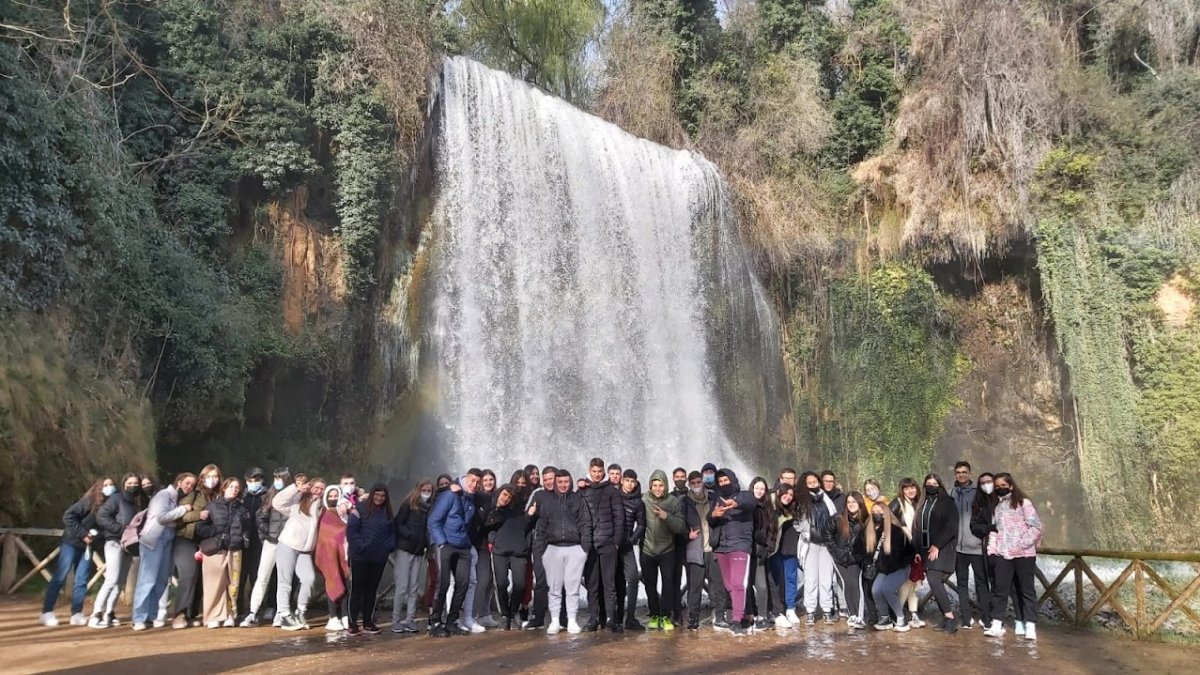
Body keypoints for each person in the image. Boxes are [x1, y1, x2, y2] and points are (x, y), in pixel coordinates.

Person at [41, 477, 110, 626]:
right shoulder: (88, 501)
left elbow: (104, 528)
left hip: (87, 547)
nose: (109, 487)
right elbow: (68, 516)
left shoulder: (109, 506)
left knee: (82, 580)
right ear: (98, 487)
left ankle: (77, 612)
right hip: (71, 543)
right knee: (61, 576)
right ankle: (47, 611)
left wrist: (95, 536)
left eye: (111, 485)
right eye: (106, 485)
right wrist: (83, 534)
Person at [982, 473, 1043, 641]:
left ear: (1011, 485)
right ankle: (996, 624)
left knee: (1026, 590)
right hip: (1003, 554)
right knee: (1000, 590)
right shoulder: (998, 507)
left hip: (1024, 555)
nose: (999, 489)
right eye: (997, 486)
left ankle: (1030, 625)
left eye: (1003, 485)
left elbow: (1036, 527)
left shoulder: (1024, 503)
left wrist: (1022, 544)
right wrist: (992, 551)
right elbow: (995, 531)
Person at [131, 473, 195, 630]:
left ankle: (152, 615)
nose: (189, 487)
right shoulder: (164, 495)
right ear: (179, 482)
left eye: (192, 485)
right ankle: (138, 617)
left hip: (167, 540)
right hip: (153, 540)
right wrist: (183, 509)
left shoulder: (175, 498)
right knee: (147, 579)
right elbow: (161, 517)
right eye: (187, 483)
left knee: (161, 580)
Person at [534, 469, 592, 635]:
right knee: (554, 587)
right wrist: (542, 550)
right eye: (560, 482)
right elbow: (541, 526)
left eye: (566, 482)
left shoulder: (577, 500)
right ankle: (554, 621)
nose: (563, 485)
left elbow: (585, 524)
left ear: (570, 481)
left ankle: (572, 620)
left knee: (573, 587)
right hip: (552, 549)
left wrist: (584, 549)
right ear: (555, 483)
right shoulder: (548, 502)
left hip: (575, 548)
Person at [427, 469, 480, 637]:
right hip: (446, 543)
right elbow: (433, 520)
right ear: (465, 478)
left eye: (478, 483)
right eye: (472, 481)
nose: (475, 485)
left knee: (463, 584)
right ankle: (435, 622)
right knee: (443, 584)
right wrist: (441, 543)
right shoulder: (450, 495)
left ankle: (452, 621)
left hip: (463, 545)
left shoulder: (470, 499)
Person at [90, 473, 146, 628]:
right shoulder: (117, 499)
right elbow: (102, 516)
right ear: (124, 484)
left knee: (120, 581)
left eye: (136, 483)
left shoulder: (137, 503)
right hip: (114, 542)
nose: (133, 485)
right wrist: (120, 529)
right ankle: (96, 614)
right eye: (130, 483)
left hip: (129, 545)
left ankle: (110, 612)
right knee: (111, 579)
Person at [171, 464, 222, 629]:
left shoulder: (219, 496)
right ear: (202, 477)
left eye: (215, 476)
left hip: (207, 540)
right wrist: (197, 515)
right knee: (188, 573)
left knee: (201, 577)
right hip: (186, 538)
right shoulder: (194, 493)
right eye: (209, 476)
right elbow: (179, 515)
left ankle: (191, 614)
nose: (212, 480)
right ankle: (180, 613)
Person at [196, 477, 251, 628]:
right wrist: (216, 532)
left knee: (233, 584)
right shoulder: (212, 506)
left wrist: (244, 539)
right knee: (214, 583)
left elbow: (247, 527)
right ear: (224, 488)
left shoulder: (242, 508)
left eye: (237, 487)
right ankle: (213, 616)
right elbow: (200, 527)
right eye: (231, 486)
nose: (234, 489)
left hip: (235, 549)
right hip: (216, 549)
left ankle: (230, 614)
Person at [273, 475, 326, 631]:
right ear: (309, 487)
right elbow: (277, 502)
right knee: (285, 582)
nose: (318, 491)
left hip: (305, 550)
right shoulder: (297, 501)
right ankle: (283, 615)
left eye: (321, 489)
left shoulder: (321, 506)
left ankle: (300, 611)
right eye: (316, 487)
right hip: (288, 544)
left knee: (309, 579)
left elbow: (336, 498)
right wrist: (296, 488)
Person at [707, 468, 757, 635]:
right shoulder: (716, 499)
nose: (723, 484)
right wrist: (713, 515)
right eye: (720, 481)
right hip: (721, 547)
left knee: (738, 584)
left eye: (726, 480)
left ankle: (737, 620)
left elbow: (749, 502)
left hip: (739, 545)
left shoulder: (744, 495)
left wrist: (735, 503)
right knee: (729, 584)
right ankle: (739, 614)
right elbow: (710, 520)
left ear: (733, 479)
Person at [581, 457, 625, 632]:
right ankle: (593, 619)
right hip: (590, 545)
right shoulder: (583, 491)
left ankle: (610, 619)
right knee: (592, 585)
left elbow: (619, 517)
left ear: (604, 472)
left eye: (600, 472)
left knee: (609, 584)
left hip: (608, 544)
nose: (597, 474)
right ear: (590, 471)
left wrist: (616, 542)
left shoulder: (611, 491)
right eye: (594, 471)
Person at [242, 467, 290, 627]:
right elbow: (260, 518)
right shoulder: (269, 495)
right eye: (275, 478)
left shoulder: (294, 497)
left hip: (288, 544)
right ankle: (252, 612)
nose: (278, 482)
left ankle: (279, 611)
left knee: (283, 579)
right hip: (271, 542)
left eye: (281, 479)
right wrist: (266, 535)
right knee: (262, 577)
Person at [683, 470, 729, 631]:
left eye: (698, 482)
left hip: (713, 548)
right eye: (693, 483)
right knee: (695, 586)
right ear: (689, 484)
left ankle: (720, 616)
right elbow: (680, 522)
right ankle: (693, 618)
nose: (696, 485)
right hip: (695, 549)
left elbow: (723, 517)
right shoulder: (685, 502)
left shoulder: (713, 498)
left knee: (718, 584)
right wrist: (686, 534)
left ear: (702, 482)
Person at [641, 470, 687, 630]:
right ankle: (654, 614)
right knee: (649, 585)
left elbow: (681, 527)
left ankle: (666, 616)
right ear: (650, 486)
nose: (658, 488)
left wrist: (666, 517)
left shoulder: (673, 502)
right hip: (647, 550)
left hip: (668, 550)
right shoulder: (644, 499)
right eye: (655, 485)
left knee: (668, 584)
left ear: (666, 485)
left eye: (661, 485)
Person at [483, 484, 532, 630]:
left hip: (519, 551)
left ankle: (513, 612)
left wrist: (526, 544)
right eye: (504, 495)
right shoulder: (494, 510)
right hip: (500, 551)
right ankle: (505, 615)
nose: (506, 499)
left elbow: (529, 526)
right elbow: (488, 528)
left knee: (520, 584)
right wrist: (493, 540)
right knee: (502, 583)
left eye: (509, 497)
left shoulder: (520, 510)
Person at [348, 483, 394, 635]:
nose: (379, 498)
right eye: (377, 494)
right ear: (372, 494)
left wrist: (389, 547)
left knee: (371, 590)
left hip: (379, 558)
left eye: (382, 496)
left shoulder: (387, 513)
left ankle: (368, 621)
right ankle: (352, 622)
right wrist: (362, 546)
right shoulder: (360, 508)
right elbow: (352, 531)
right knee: (357, 589)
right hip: (360, 557)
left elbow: (392, 533)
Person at [919, 473, 960, 633]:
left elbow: (951, 526)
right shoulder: (923, 503)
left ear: (940, 485)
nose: (931, 486)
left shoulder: (947, 502)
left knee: (934, 580)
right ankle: (946, 616)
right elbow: (918, 527)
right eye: (928, 483)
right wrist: (917, 550)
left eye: (934, 483)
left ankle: (950, 617)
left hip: (941, 549)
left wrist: (937, 545)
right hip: (925, 549)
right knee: (934, 581)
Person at [391, 479, 433, 633]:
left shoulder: (429, 508)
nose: (426, 493)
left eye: (429, 491)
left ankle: (410, 619)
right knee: (401, 587)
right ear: (418, 489)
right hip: (405, 548)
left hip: (418, 551)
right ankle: (396, 620)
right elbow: (398, 523)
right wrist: (409, 535)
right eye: (424, 490)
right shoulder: (408, 504)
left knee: (414, 587)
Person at [951, 461, 987, 629]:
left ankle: (985, 617)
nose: (961, 474)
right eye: (958, 472)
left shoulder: (979, 493)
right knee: (961, 583)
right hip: (958, 548)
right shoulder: (952, 493)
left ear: (970, 474)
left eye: (964, 472)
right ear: (955, 474)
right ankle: (966, 618)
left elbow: (987, 516)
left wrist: (983, 536)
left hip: (977, 546)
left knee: (981, 582)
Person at [870, 502, 916, 632]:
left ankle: (901, 619)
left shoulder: (897, 531)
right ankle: (885, 618)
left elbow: (910, 551)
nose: (876, 515)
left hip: (900, 567)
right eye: (873, 513)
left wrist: (899, 562)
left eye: (879, 512)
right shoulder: (874, 531)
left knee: (887, 589)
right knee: (876, 590)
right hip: (884, 569)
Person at [801, 471, 839, 624]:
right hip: (810, 544)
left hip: (826, 544)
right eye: (809, 482)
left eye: (814, 481)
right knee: (810, 578)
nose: (812, 484)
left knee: (826, 578)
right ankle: (810, 610)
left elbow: (834, 516)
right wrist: (806, 532)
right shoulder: (803, 501)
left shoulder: (826, 499)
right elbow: (799, 521)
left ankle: (827, 609)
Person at [524, 465, 558, 630]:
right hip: (541, 543)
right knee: (541, 581)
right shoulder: (538, 494)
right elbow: (527, 519)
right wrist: (530, 514)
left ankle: (561, 617)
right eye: (545, 480)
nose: (548, 482)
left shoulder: (565, 494)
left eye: (551, 478)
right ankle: (538, 617)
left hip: (560, 543)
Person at [830, 492, 869, 629]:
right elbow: (828, 534)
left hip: (856, 558)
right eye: (849, 502)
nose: (851, 505)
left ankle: (859, 616)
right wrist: (836, 550)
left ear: (860, 504)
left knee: (855, 583)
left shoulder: (866, 519)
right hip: (839, 557)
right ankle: (852, 614)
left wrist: (861, 556)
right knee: (847, 583)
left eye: (854, 502)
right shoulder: (838, 518)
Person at [316, 486, 352, 632]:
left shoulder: (343, 514)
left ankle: (344, 615)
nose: (333, 498)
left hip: (344, 554)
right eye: (330, 496)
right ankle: (332, 617)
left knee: (345, 582)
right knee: (332, 580)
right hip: (329, 556)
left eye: (335, 495)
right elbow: (325, 536)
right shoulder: (324, 515)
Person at [891, 477, 925, 627]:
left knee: (915, 581)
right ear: (901, 490)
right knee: (907, 581)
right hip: (905, 548)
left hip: (918, 547)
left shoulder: (918, 503)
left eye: (912, 487)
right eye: (906, 488)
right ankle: (896, 612)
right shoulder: (896, 504)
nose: (910, 490)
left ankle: (913, 613)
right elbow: (889, 524)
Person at [616, 469, 646, 631]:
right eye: (627, 480)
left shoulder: (638, 502)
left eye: (632, 481)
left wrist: (632, 540)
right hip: (611, 544)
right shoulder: (613, 495)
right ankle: (610, 617)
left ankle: (631, 617)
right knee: (611, 581)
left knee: (633, 578)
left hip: (626, 545)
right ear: (621, 480)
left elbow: (641, 524)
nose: (629, 484)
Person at [237, 467, 267, 621]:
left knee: (257, 576)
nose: (253, 483)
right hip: (243, 541)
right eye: (250, 480)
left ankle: (256, 610)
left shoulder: (267, 495)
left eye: (256, 480)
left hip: (260, 542)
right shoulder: (241, 496)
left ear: (262, 480)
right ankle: (238, 610)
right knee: (240, 577)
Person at [768, 484, 800, 628]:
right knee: (775, 580)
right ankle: (777, 610)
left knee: (791, 578)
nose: (788, 497)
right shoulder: (772, 508)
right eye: (785, 494)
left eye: (791, 495)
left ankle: (791, 607)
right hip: (775, 549)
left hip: (791, 548)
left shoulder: (796, 510)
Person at [746, 477, 773, 631]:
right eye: (757, 488)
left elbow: (772, 530)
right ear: (752, 488)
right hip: (746, 550)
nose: (759, 491)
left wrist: (768, 547)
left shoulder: (768, 508)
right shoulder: (747, 506)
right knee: (746, 585)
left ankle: (762, 616)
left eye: (762, 489)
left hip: (760, 551)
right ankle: (750, 614)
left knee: (762, 586)